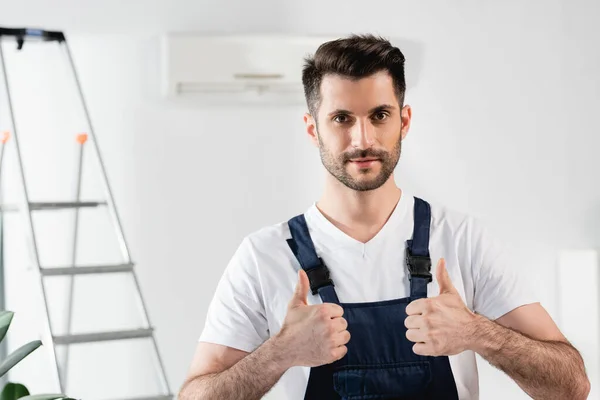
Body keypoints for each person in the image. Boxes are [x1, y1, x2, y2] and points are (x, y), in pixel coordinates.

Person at [178, 34, 590, 400]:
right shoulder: (263, 256)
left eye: (379, 115)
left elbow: (572, 386)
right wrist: (278, 354)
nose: (364, 140)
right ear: (312, 129)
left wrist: (476, 333)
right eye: (341, 118)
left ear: (403, 121)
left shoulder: (462, 240)